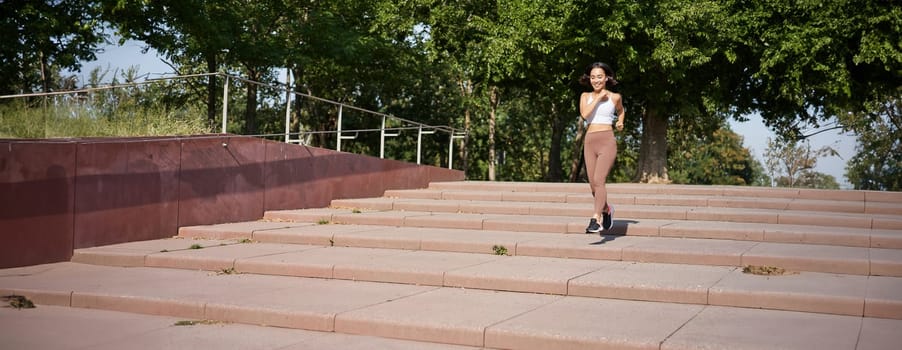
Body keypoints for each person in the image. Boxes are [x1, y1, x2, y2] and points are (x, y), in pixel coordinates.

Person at [578, 62, 625, 234]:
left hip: (607, 140)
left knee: (599, 180)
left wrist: (620, 121)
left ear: (606, 78)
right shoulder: (585, 96)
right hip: (590, 141)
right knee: (593, 187)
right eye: (592, 77)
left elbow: (621, 111)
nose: (596, 80)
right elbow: (585, 114)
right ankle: (607, 210)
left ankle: (596, 218)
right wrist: (598, 98)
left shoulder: (615, 97)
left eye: (599, 76)